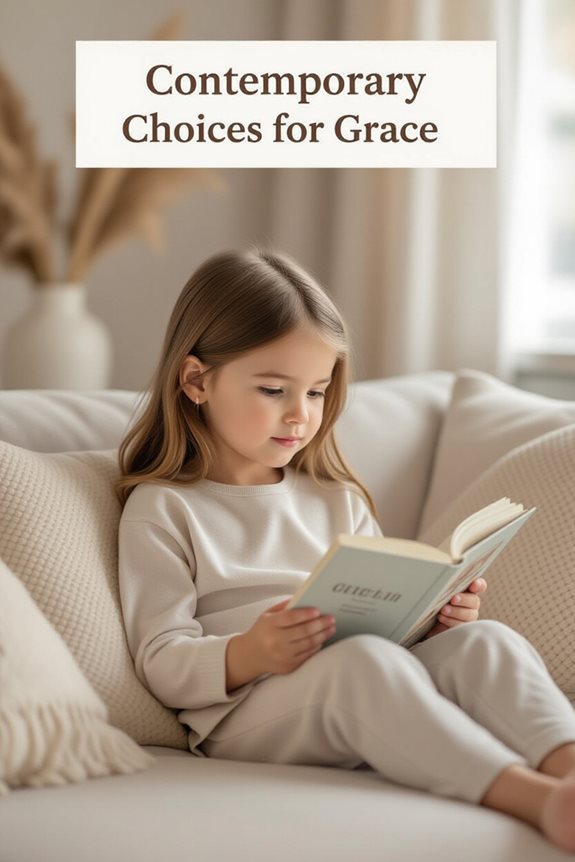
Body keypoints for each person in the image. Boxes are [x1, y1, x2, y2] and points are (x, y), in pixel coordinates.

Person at [116, 247, 575, 852]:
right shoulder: (164, 507)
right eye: (275, 389)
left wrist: (432, 622)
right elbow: (160, 658)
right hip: (247, 712)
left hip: (362, 676)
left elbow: (384, 627)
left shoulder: (336, 496)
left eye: (316, 392)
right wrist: (250, 653)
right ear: (197, 379)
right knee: (363, 665)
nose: (300, 416)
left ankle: (567, 766)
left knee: (486, 642)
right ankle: (534, 799)